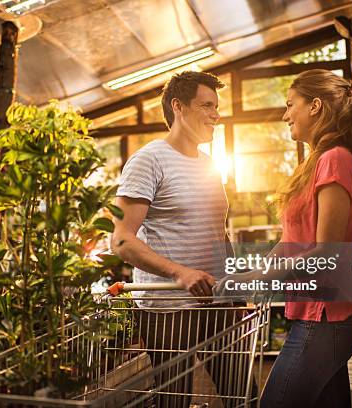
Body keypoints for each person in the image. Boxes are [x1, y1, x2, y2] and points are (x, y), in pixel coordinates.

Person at [214, 69, 352, 407]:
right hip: (314, 315)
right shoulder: (315, 163)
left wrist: (256, 277)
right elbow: (290, 241)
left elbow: (326, 253)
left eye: (290, 105)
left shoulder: (335, 159)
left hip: (325, 317)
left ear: (315, 105)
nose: (285, 115)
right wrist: (250, 276)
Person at [111, 71, 243, 407]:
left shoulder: (209, 164)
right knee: (175, 400)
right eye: (207, 105)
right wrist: (179, 273)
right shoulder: (147, 160)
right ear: (178, 107)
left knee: (242, 394)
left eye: (217, 107)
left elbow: (218, 231)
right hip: (169, 309)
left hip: (217, 303)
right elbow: (122, 241)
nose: (216, 114)